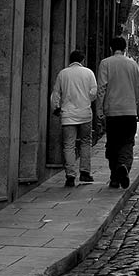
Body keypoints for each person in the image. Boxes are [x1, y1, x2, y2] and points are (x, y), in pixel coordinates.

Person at [97, 36, 139, 189]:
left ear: (111, 48)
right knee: (127, 143)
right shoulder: (133, 65)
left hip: (112, 112)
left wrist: (99, 111)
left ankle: (114, 178)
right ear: (125, 49)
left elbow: (101, 89)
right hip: (129, 112)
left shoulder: (105, 63)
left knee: (112, 144)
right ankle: (123, 165)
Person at [50, 49, 97, 187]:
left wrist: (56, 108)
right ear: (82, 60)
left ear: (70, 60)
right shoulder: (89, 73)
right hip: (85, 114)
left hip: (68, 115)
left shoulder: (63, 74)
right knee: (85, 142)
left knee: (68, 145)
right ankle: (85, 172)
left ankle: (70, 175)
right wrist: (87, 101)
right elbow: (94, 92)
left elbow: (56, 93)